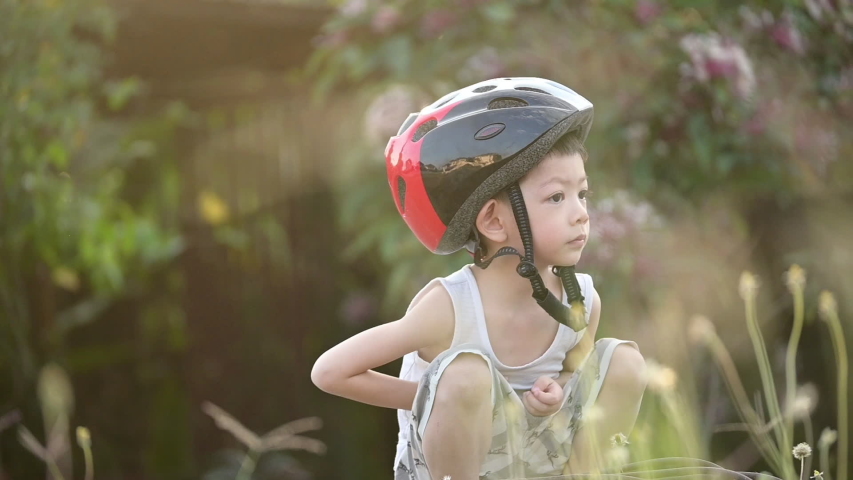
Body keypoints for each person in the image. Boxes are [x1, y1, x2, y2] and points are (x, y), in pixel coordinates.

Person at [313, 78, 761, 480]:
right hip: (452, 466)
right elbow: (330, 372)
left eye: (582, 193)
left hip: (537, 465)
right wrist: (447, 399)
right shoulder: (449, 309)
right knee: (467, 376)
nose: (581, 212)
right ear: (492, 222)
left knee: (624, 361)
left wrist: (557, 392)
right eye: (556, 197)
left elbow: (573, 375)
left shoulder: (580, 300)